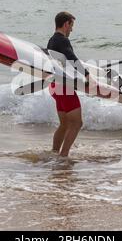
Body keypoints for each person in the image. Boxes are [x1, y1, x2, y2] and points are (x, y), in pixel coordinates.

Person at [47, 12, 88, 157]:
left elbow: (62, 65)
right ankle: (63, 156)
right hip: (63, 87)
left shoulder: (51, 41)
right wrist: (88, 75)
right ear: (66, 24)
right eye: (71, 25)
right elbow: (72, 59)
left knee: (64, 124)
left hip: (54, 85)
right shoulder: (63, 40)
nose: (72, 29)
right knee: (76, 123)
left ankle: (54, 153)